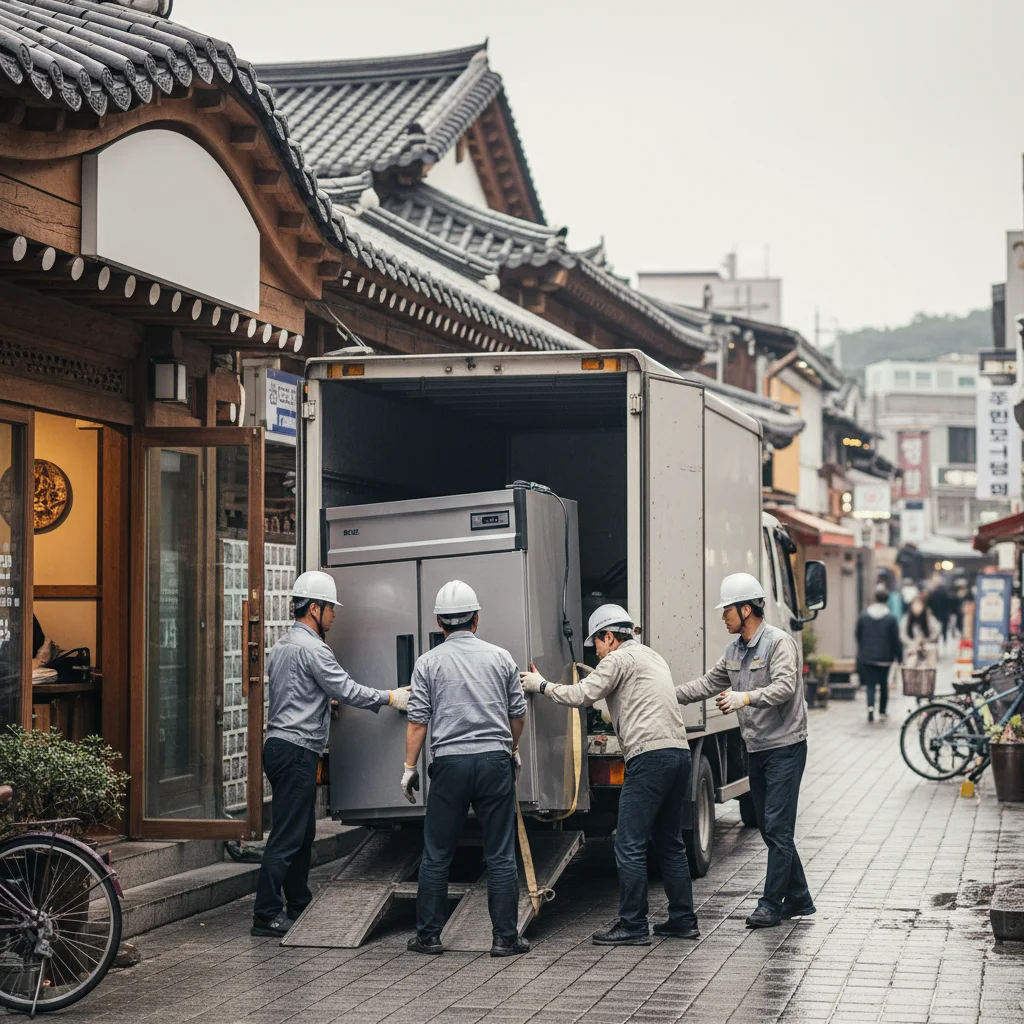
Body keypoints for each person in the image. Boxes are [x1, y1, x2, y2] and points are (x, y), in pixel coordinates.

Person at [521, 603, 696, 947]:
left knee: (628, 843)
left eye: (596, 644)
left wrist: (540, 685)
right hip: (679, 754)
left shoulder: (617, 660)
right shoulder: (650, 656)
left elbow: (581, 696)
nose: (596, 651)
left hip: (649, 758)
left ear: (610, 637)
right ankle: (683, 920)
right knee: (670, 841)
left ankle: (632, 925)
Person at [252, 571, 410, 938]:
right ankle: (265, 914)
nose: (334, 616)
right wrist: (389, 696)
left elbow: (299, 694)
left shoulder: (283, 646)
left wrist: (325, 705)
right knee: (289, 835)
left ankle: (298, 902)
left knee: (302, 832)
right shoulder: (314, 649)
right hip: (296, 750)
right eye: (330, 609)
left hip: (280, 745)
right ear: (313, 609)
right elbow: (348, 688)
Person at [676, 573, 812, 929]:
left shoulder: (779, 644)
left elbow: (784, 686)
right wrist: (665, 693)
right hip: (757, 748)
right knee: (770, 828)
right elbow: (708, 683)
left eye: (727, 611)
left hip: (785, 747)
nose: (723, 617)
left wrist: (745, 697)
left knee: (778, 829)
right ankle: (798, 897)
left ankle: (771, 905)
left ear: (747, 609)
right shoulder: (734, 651)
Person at [403, 580, 529, 958]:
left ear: (441, 623)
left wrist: (409, 767)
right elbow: (517, 714)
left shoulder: (427, 662)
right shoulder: (501, 657)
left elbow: (417, 723)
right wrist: (512, 748)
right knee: (501, 854)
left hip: (449, 764)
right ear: (476, 619)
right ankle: (505, 939)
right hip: (494, 761)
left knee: (438, 852)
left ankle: (428, 937)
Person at [855, 586, 902, 722]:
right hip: (885, 657)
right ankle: (882, 711)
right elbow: (896, 640)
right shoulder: (891, 618)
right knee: (883, 684)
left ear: (874, 599)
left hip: (867, 656)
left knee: (870, 684)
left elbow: (858, 635)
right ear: (887, 600)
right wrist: (899, 657)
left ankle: (870, 707)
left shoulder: (864, 616)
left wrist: (862, 650)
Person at [900, 595, 941, 672]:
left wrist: (926, 640)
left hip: (927, 651)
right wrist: (912, 643)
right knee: (911, 672)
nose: (917, 607)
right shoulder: (907, 618)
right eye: (915, 605)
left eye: (919, 605)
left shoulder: (928, 616)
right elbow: (902, 634)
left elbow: (936, 630)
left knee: (926, 674)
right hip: (911, 651)